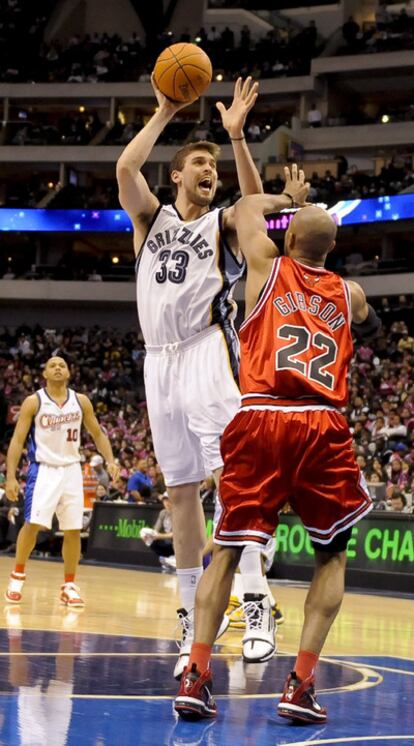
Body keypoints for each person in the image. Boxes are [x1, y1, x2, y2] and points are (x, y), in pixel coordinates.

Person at [174, 165, 379, 722]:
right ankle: (300, 684)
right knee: (332, 554)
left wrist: (288, 198)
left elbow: (243, 210)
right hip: (321, 424)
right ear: (332, 250)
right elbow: (370, 321)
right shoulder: (349, 291)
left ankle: (196, 675)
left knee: (229, 552)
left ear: (288, 239)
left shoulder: (265, 266)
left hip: (261, 416)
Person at [116, 75, 271, 677]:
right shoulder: (149, 221)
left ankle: (255, 596)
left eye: (214, 165)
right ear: (177, 174)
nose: (209, 171)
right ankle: (191, 613)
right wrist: (162, 112)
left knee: (233, 476)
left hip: (208, 352)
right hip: (158, 362)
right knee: (181, 491)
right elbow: (126, 171)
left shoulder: (222, 222)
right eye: (199, 163)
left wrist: (236, 138)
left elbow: (256, 206)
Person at [4, 356, 119, 607]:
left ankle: (69, 585)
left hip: (71, 469)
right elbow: (17, 441)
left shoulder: (81, 401)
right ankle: (18, 575)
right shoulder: (34, 401)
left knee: (73, 529)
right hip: (43, 469)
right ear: (44, 373)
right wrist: (11, 476)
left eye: (62, 365)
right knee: (33, 524)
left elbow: (98, 433)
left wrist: (110, 459)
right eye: (53, 365)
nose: (58, 368)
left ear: (69, 373)